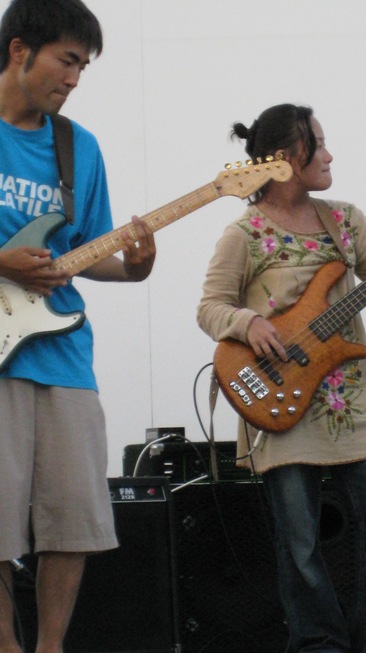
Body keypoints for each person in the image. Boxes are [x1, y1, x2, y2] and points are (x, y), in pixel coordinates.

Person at [197, 103, 366, 653]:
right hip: (279, 399)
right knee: (299, 541)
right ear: (285, 157)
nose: (328, 155)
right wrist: (248, 323)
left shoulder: (343, 219)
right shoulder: (243, 233)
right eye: (317, 144)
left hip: (353, 401)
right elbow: (211, 307)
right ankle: (319, 643)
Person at [0, 1, 156, 652]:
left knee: (74, 516)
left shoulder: (78, 147)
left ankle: (50, 646)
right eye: (67, 61)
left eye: (83, 67)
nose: (74, 79)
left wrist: (136, 267)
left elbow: (90, 253)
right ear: (19, 50)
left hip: (64, 354)